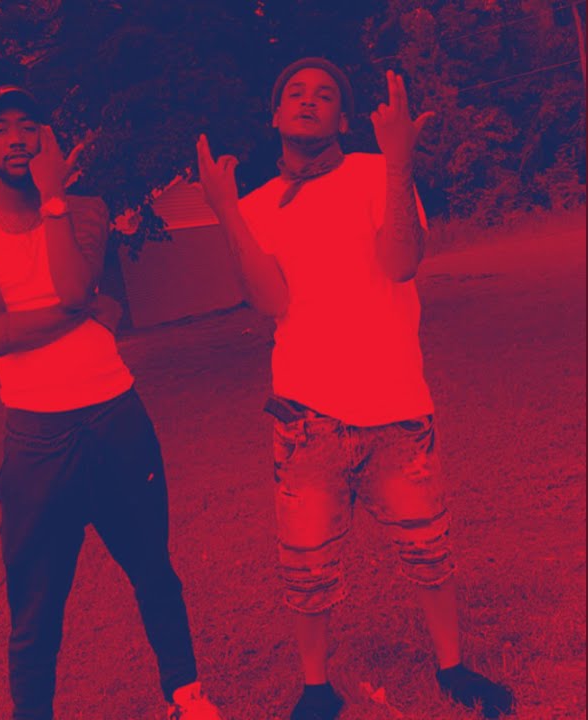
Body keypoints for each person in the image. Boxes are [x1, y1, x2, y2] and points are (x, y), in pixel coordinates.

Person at [195, 58, 515, 719]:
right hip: (306, 417)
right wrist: (225, 211)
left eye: (325, 95)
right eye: (295, 92)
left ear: (344, 119)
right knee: (305, 567)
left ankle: (452, 667)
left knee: (429, 551)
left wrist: (399, 165)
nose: (308, 101)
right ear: (275, 115)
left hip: (395, 406)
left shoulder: (378, 173)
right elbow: (269, 300)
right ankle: (317, 688)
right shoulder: (256, 206)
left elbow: (401, 262)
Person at [0, 84, 223, 720]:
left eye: (28, 125)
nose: (16, 139)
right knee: (35, 600)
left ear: (48, 137)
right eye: (0, 128)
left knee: (153, 567)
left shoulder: (87, 210)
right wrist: (90, 311)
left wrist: (54, 199)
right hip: (37, 437)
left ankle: (187, 696)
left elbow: (68, 288)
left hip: (115, 415)